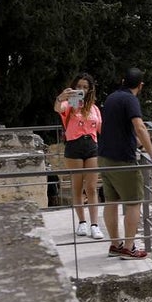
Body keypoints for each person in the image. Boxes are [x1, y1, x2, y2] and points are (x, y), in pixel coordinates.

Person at [96, 68, 152, 259]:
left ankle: (115, 245)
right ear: (140, 85)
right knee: (134, 203)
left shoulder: (111, 98)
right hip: (122, 160)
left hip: (104, 156)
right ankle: (129, 247)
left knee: (111, 202)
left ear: (122, 80)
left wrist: (136, 142)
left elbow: (118, 127)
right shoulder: (130, 100)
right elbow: (139, 126)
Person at [54, 73, 103, 239]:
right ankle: (82, 222)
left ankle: (94, 225)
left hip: (91, 146)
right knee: (77, 186)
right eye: (79, 86)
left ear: (90, 90)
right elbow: (58, 109)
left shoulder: (95, 108)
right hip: (74, 146)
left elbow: (101, 129)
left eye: (85, 87)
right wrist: (61, 97)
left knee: (91, 187)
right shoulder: (71, 104)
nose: (81, 89)